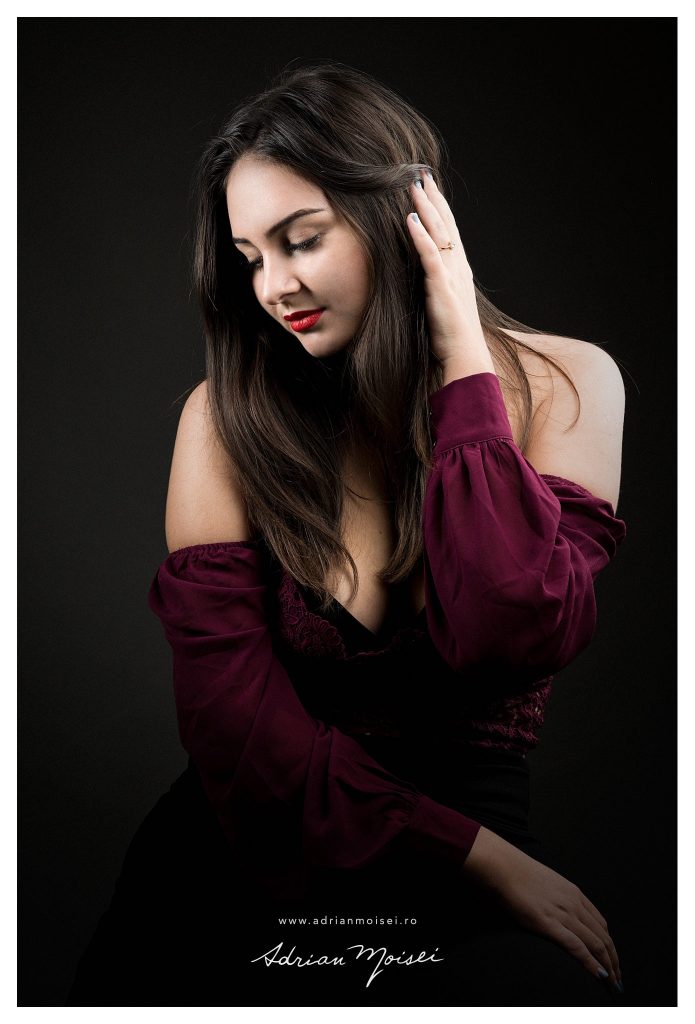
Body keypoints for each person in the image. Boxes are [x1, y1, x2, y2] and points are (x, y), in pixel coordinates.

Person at [67, 61, 628, 1008]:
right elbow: (235, 733)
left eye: (301, 239)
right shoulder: (224, 421)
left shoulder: (569, 384)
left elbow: (506, 630)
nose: (274, 285)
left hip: (474, 871)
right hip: (249, 854)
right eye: (249, 256)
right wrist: (478, 857)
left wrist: (460, 358)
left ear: (404, 216)